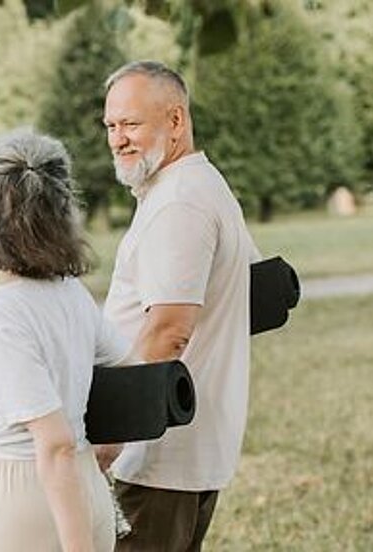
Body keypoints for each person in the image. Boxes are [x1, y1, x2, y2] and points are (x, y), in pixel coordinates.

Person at [96, 61, 259, 550]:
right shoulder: (197, 185)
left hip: (156, 454)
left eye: (131, 124)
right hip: (182, 448)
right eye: (111, 126)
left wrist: (111, 435)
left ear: (175, 122)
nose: (118, 139)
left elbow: (169, 329)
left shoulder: (179, 204)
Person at [0, 129, 134, 552]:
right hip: (83, 489)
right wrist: (106, 449)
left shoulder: (4, 311)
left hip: (25, 502)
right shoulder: (72, 295)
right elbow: (130, 370)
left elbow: (54, 442)